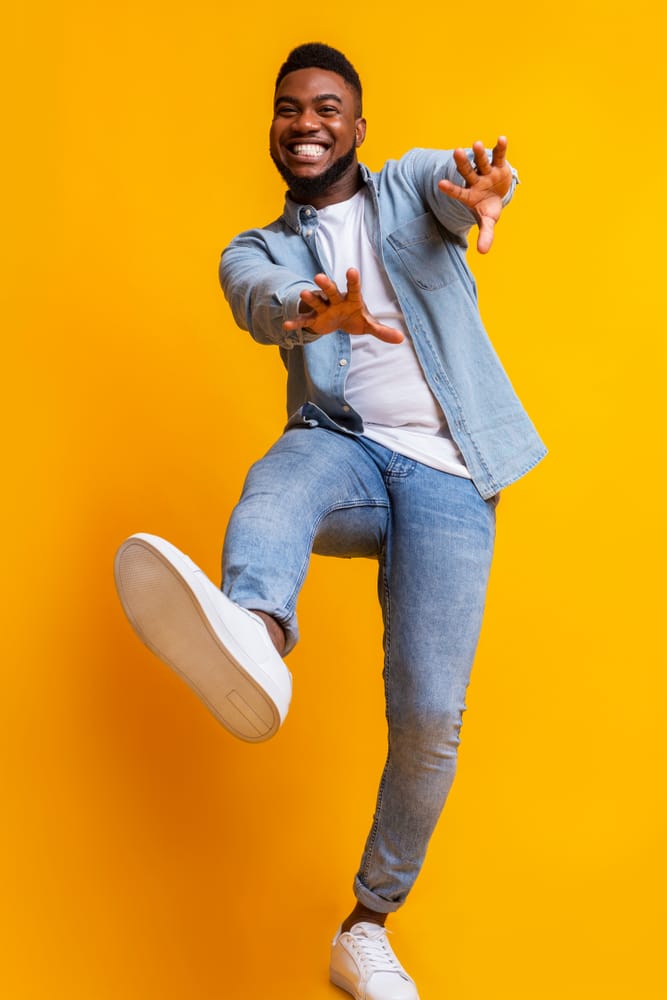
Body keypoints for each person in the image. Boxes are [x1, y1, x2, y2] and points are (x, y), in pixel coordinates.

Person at [114, 42, 546, 1000]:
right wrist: (318, 308)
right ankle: (255, 635)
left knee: (431, 720)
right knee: (280, 475)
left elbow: (447, 179)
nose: (304, 124)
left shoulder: (401, 189)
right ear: (273, 126)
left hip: (449, 474)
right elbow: (261, 304)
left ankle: (366, 926)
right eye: (287, 108)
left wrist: (481, 187)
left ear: (356, 125)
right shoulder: (255, 247)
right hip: (344, 448)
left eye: (325, 108)